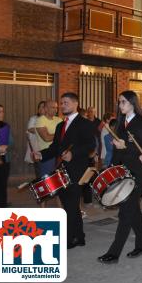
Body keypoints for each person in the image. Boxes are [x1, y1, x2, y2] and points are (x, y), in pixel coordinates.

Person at [34, 92, 95, 249]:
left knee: (71, 204)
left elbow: (90, 146)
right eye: (61, 103)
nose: (62, 106)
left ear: (75, 104)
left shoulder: (85, 123)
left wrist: (73, 154)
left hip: (77, 170)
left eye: (65, 103)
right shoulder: (61, 125)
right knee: (71, 205)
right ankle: (80, 236)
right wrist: (42, 154)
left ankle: (69, 239)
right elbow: (55, 147)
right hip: (61, 170)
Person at [98, 91, 142, 264]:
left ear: (132, 103)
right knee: (132, 209)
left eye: (123, 102)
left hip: (138, 171)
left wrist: (126, 145)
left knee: (126, 211)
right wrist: (111, 168)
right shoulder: (121, 124)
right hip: (123, 171)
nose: (120, 105)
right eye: (119, 102)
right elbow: (116, 150)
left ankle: (114, 252)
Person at [35, 100, 62, 177]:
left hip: (58, 153)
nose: (55, 110)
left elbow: (65, 135)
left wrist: (54, 135)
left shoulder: (59, 120)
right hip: (46, 154)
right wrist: (59, 135)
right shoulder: (40, 120)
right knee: (47, 179)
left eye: (56, 108)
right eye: (53, 107)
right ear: (46, 109)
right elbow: (46, 138)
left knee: (58, 180)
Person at [25, 101, 45, 177]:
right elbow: (30, 129)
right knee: (38, 169)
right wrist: (44, 131)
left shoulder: (50, 119)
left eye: (43, 107)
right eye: (39, 107)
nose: (40, 109)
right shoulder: (34, 118)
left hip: (47, 148)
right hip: (36, 147)